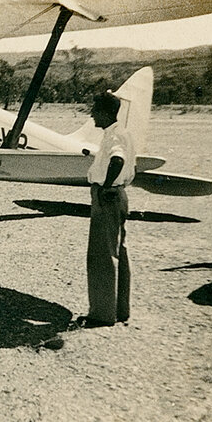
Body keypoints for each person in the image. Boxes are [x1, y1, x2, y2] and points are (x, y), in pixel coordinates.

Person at [78, 90, 136, 328]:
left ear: (105, 112)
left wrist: (105, 187)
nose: (92, 115)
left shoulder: (114, 136)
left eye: (95, 110)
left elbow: (117, 160)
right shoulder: (122, 133)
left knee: (102, 254)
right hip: (117, 194)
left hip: (108, 196)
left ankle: (101, 314)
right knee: (117, 251)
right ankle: (119, 310)